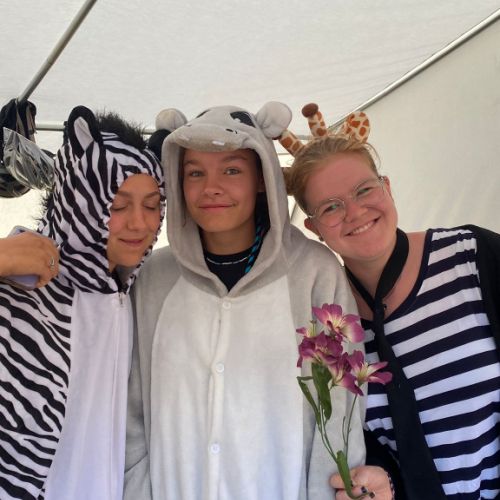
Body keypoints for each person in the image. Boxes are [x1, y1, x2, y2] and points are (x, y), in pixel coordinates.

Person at [125, 103, 367, 500]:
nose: (211, 187)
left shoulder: (313, 273)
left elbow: (341, 408)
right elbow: (132, 413)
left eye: (232, 170)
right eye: (195, 173)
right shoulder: (153, 276)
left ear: (263, 178)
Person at [283, 106, 500, 499]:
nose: (355, 212)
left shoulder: (472, 257)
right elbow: (368, 442)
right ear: (313, 228)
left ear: (387, 187)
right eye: (331, 206)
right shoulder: (330, 324)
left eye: (364, 190)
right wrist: (385, 481)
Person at [0, 105, 165, 500]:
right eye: (117, 204)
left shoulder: (129, 295)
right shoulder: (22, 277)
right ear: (78, 198)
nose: (139, 223)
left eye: (152, 205)